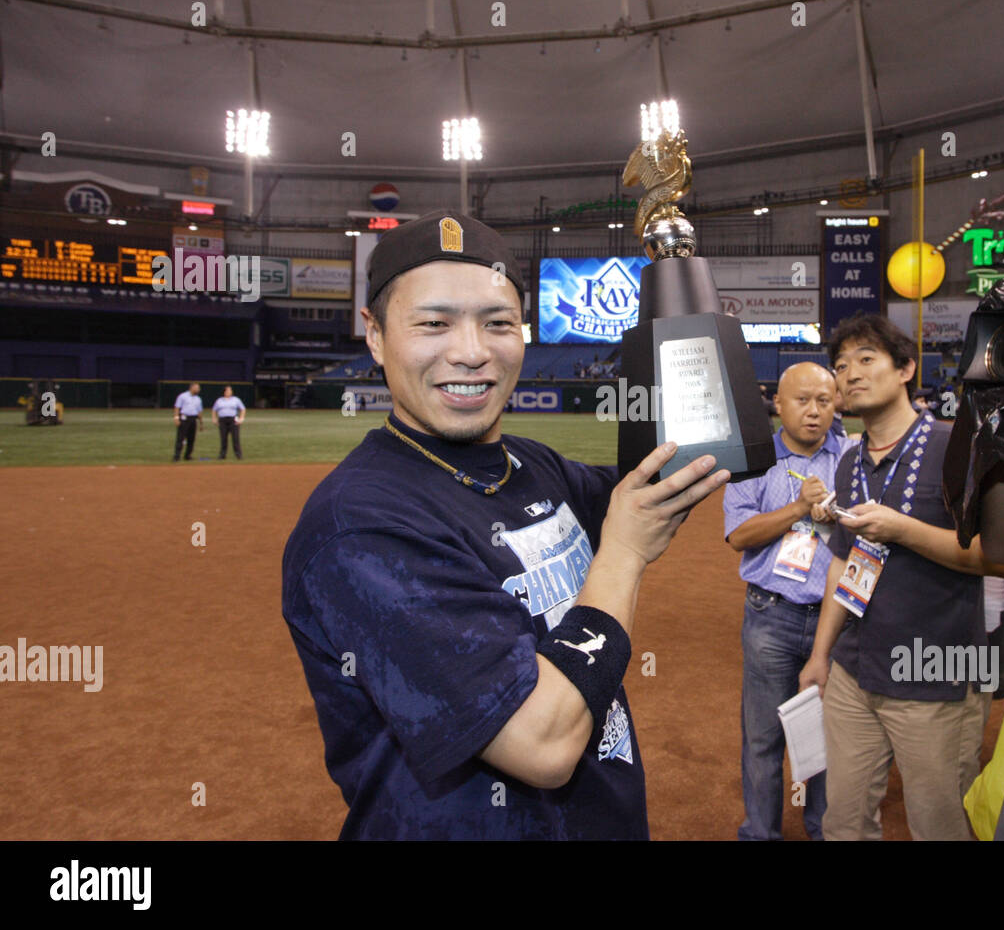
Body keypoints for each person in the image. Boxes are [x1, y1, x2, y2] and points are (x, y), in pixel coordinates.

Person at [281, 210, 728, 839]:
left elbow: (667, 474)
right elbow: (541, 745)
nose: (470, 352)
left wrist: (678, 292)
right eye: (433, 323)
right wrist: (623, 555)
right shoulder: (362, 526)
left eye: (498, 324)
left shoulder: (531, 463)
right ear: (376, 335)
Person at [798, 313, 1004, 841]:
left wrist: (904, 530)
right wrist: (821, 655)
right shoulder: (849, 463)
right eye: (842, 365)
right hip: (854, 671)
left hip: (934, 674)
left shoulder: (954, 446)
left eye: (867, 360)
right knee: (843, 821)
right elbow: (845, 565)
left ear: (906, 369)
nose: (851, 374)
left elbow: (1000, 557)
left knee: (939, 825)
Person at [723, 362, 845, 841]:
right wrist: (798, 508)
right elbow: (739, 534)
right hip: (770, 615)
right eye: (802, 400)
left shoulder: (852, 457)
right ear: (779, 403)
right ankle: (761, 832)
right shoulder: (755, 459)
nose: (814, 411)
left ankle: (824, 830)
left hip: (835, 621)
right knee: (763, 737)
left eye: (824, 401)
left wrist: (837, 515)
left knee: (828, 736)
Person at [212, 386, 246, 460]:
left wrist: (241, 418)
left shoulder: (236, 400)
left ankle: (238, 455)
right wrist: (214, 419)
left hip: (233, 420)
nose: (229, 392)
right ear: (224, 392)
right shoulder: (219, 400)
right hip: (222, 420)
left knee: (235, 438)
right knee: (223, 438)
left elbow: (242, 409)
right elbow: (214, 410)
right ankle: (222, 455)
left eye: (230, 390)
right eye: (227, 390)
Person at [172, 382, 203, 461]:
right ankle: (177, 456)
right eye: (197, 388)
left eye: (198, 388)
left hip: (193, 419)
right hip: (184, 418)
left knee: (191, 438)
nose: (198, 389)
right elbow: (177, 407)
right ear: (191, 387)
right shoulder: (183, 396)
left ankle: (188, 455)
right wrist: (176, 418)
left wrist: (201, 423)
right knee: (181, 438)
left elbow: (199, 411)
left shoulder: (198, 399)